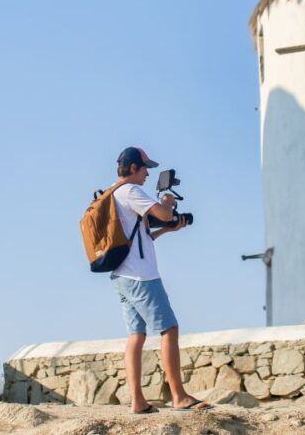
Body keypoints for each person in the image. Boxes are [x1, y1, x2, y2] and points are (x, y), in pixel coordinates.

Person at [111, 146, 211, 414]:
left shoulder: (114, 194)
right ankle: (178, 396)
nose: (147, 175)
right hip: (142, 277)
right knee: (169, 329)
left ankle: (137, 401)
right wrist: (168, 203)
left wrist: (169, 230)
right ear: (133, 168)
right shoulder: (130, 191)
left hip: (122, 275)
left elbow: (143, 238)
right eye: (145, 169)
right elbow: (164, 214)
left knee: (137, 335)